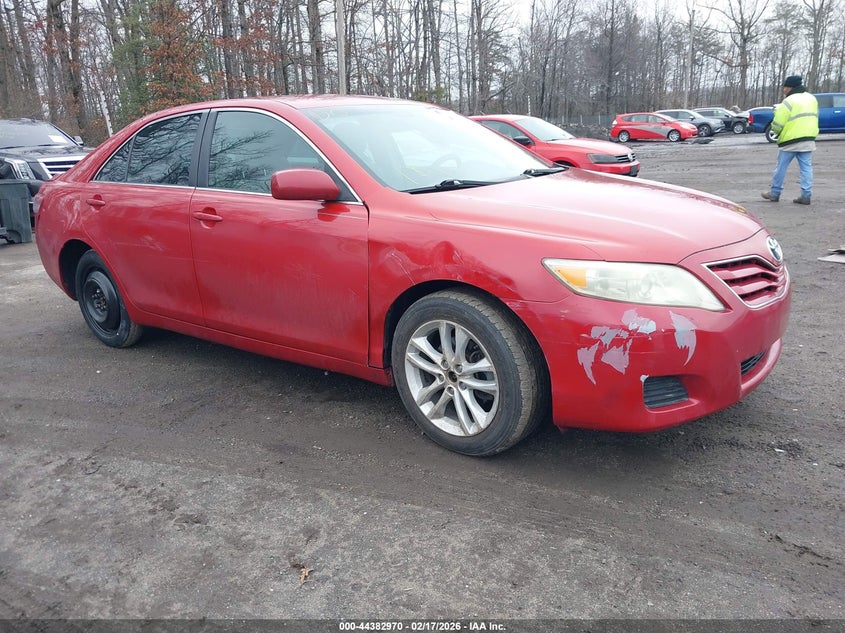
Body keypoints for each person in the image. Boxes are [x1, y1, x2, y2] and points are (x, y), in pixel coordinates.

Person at [761, 75, 819, 205]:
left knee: (781, 168)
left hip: (790, 140)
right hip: (808, 138)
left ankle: (775, 193)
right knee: (806, 168)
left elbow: (777, 123)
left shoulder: (788, 101)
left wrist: (776, 132)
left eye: (785, 87)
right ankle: (806, 195)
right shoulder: (812, 99)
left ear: (790, 87)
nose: (784, 90)